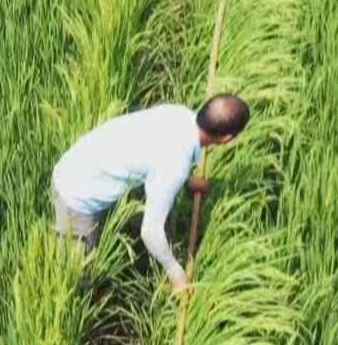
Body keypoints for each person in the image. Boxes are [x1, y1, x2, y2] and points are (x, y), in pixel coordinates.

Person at [50, 93, 250, 294]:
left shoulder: (179, 114)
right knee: (77, 276)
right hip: (76, 194)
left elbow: (157, 153)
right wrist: (176, 274)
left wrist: (186, 181)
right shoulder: (174, 164)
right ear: (227, 139)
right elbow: (150, 232)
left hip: (86, 160)